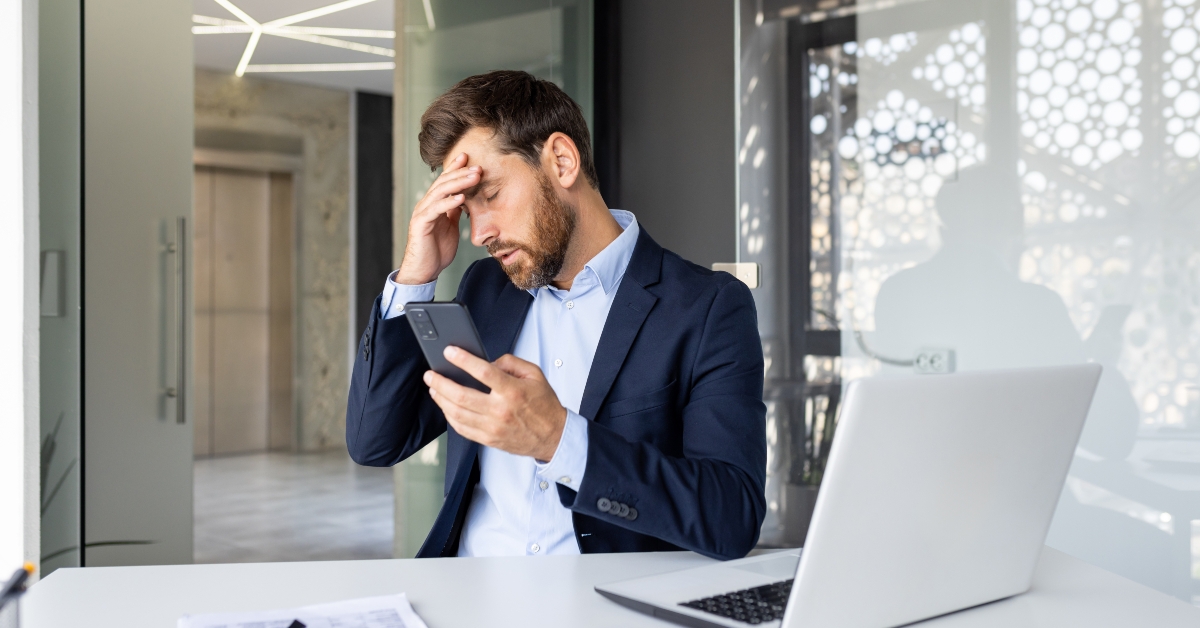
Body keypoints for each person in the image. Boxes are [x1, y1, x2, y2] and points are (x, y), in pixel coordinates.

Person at [346, 70, 766, 560]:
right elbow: (375, 442)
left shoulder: (708, 307)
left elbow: (731, 516)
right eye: (466, 208)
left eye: (492, 195)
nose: (478, 233)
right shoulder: (484, 291)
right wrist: (415, 277)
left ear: (562, 161)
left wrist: (560, 440)